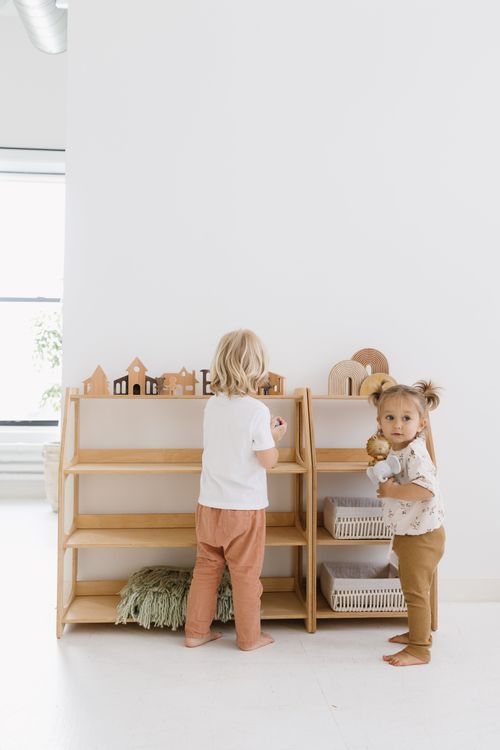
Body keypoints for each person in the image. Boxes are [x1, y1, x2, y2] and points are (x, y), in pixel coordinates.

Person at [184, 329, 287, 650]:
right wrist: (276, 438)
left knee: (205, 569)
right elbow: (267, 460)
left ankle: (196, 632)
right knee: (245, 575)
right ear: (257, 368)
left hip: (209, 505)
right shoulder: (258, 411)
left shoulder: (212, 405)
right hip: (244, 509)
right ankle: (249, 638)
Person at [369, 381, 445, 667]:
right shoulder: (397, 449)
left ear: (421, 423)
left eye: (406, 418)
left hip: (422, 535)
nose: (397, 425)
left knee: (415, 592)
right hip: (410, 531)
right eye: (389, 418)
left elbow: (426, 489)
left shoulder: (415, 452)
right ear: (379, 422)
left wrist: (393, 492)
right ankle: (418, 632)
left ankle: (419, 648)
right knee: (410, 587)